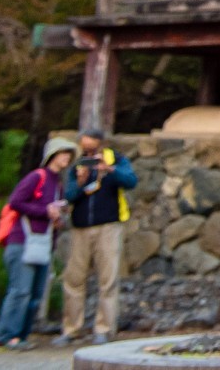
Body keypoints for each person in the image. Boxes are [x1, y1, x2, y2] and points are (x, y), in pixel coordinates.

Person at [56, 127, 134, 348]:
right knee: (73, 279)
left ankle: (105, 328)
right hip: (81, 227)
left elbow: (130, 181)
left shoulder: (117, 159)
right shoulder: (79, 165)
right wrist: (80, 183)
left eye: (91, 148)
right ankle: (71, 328)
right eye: (85, 148)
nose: (89, 153)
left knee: (107, 278)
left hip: (108, 225)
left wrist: (109, 169)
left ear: (101, 144)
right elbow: (70, 195)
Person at [0, 137, 74, 350]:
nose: (67, 157)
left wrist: (57, 219)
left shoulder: (58, 184)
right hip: (22, 241)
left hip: (43, 243)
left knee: (36, 294)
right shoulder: (36, 177)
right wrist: (44, 211)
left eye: (69, 154)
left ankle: (21, 335)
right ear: (52, 156)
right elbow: (15, 202)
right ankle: (7, 335)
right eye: (63, 153)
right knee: (20, 290)